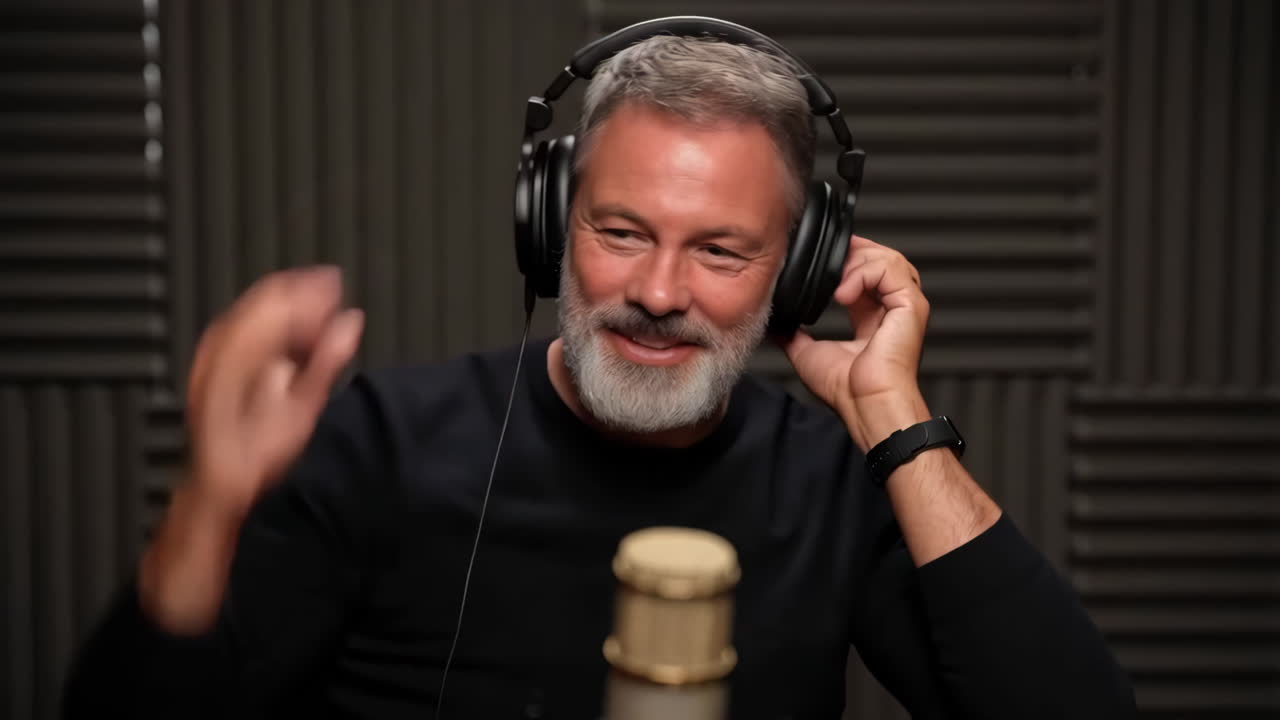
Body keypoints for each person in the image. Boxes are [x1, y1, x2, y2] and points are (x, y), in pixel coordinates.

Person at [64, 27, 1134, 720]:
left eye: (720, 252)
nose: (659, 290)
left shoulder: (828, 480)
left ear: (800, 270)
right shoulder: (381, 442)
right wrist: (208, 503)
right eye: (620, 232)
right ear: (550, 225)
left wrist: (894, 419)